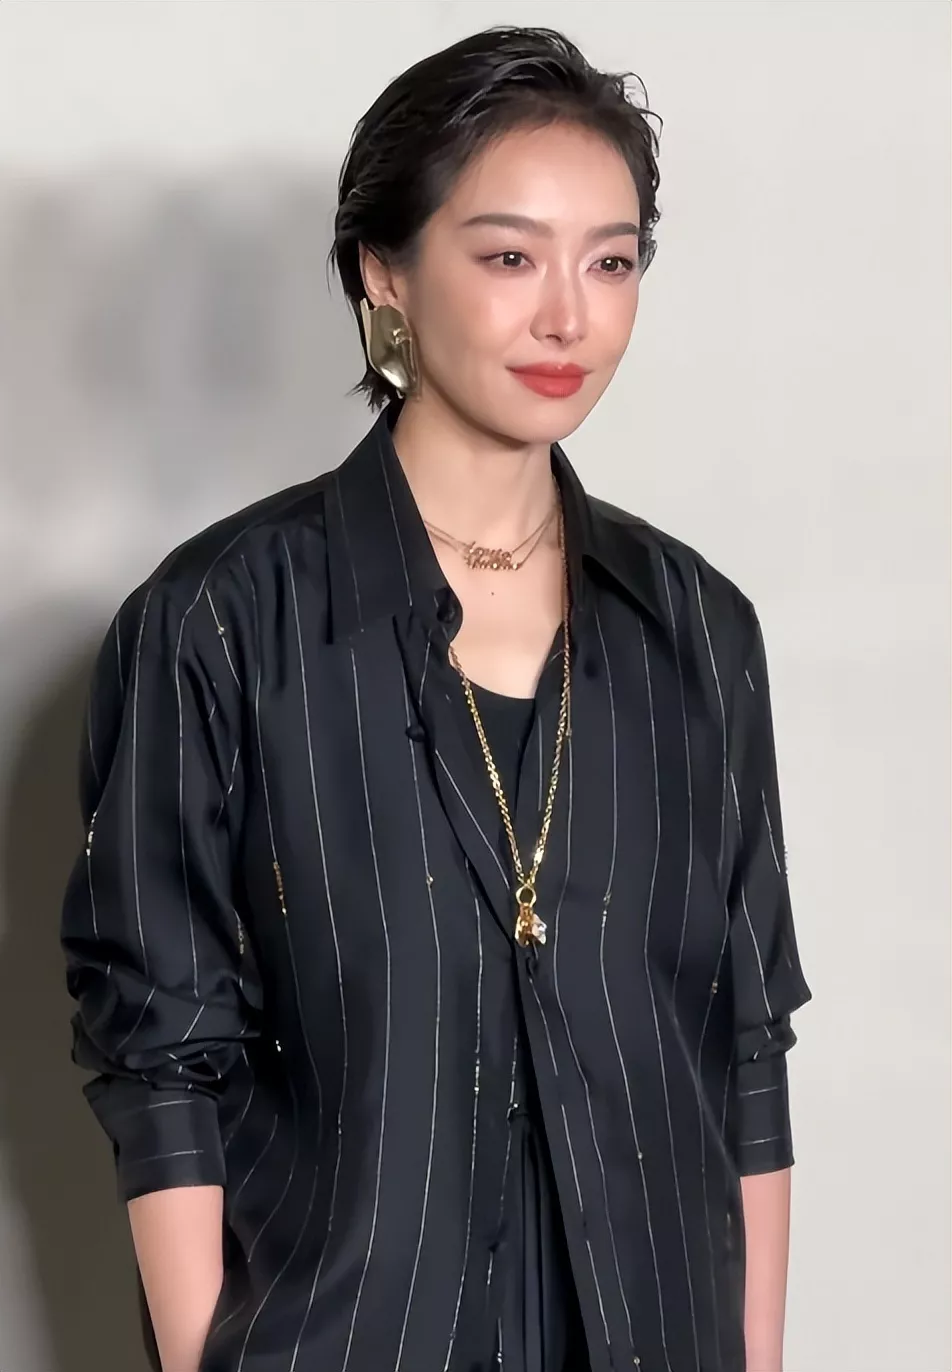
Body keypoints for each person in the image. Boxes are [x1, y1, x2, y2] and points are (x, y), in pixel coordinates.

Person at [60, 24, 812, 1372]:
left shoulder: (701, 630)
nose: (569, 317)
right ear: (385, 271)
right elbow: (161, 1060)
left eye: (613, 261)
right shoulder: (220, 622)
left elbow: (746, 1051)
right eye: (510, 257)